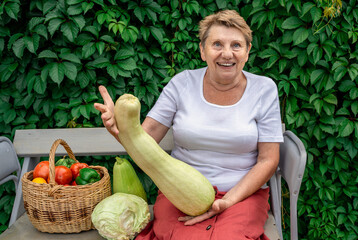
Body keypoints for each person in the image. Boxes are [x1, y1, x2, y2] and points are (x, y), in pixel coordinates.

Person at [94, 9, 283, 240]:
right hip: (179, 193)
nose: (227, 53)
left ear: (247, 51)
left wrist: (228, 200)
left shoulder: (264, 89)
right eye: (217, 44)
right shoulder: (182, 83)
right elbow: (143, 139)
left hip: (241, 195)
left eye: (236, 45)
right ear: (203, 51)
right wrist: (118, 126)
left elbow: (268, 159)